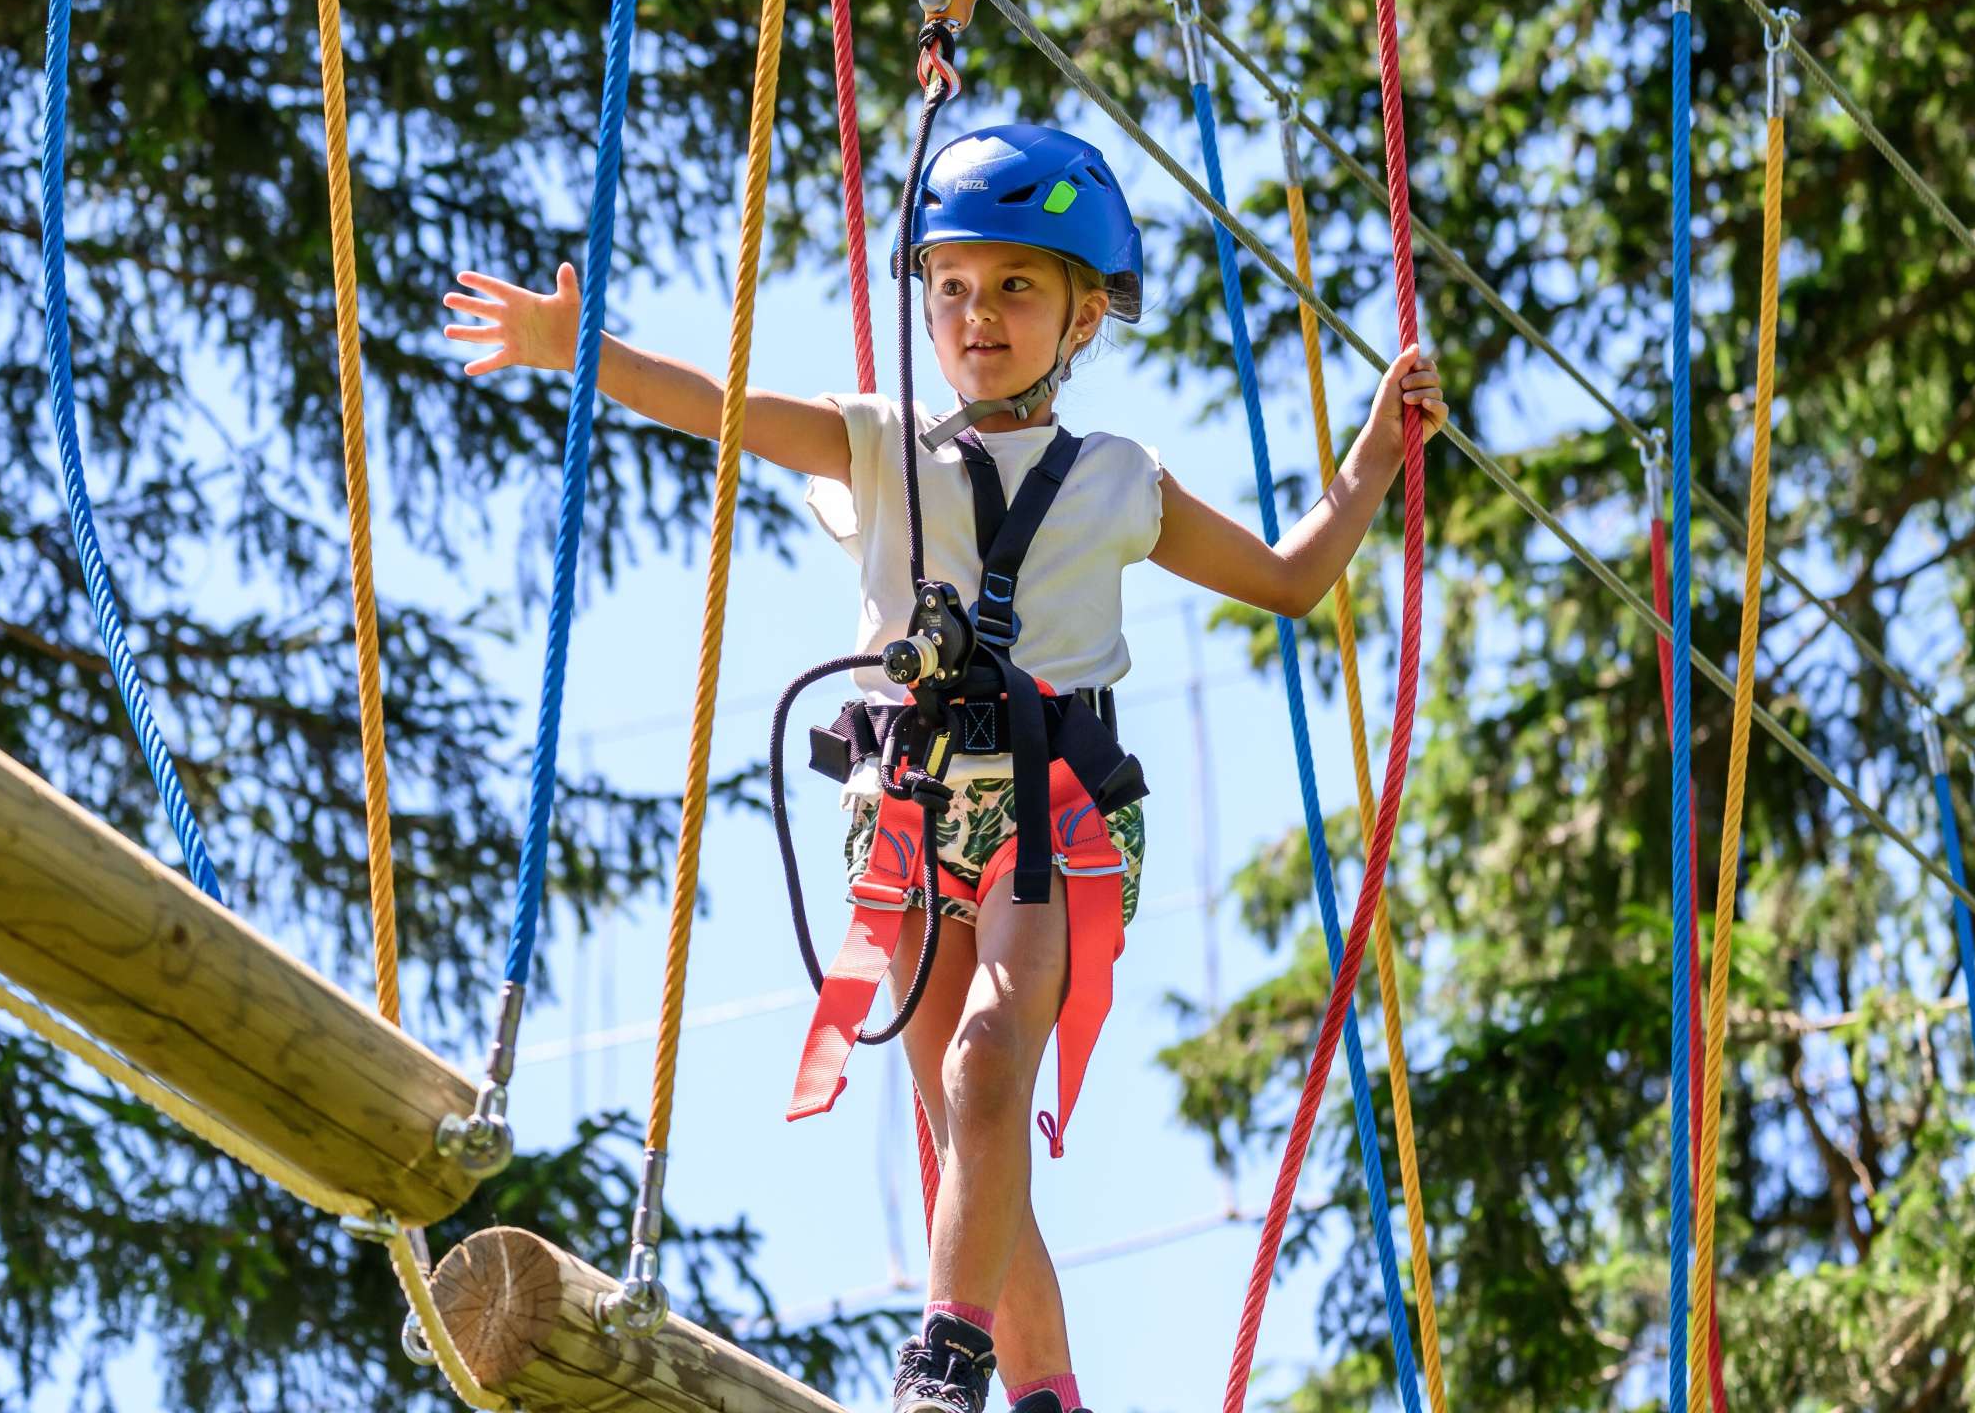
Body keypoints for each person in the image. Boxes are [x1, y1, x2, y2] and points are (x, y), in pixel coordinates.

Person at [441, 123, 1445, 1413]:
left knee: (985, 1069)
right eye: (954, 285)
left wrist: (1372, 458)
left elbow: (1289, 579)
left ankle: (944, 1361)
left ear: (1087, 314)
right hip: (908, 817)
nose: (978, 315)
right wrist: (581, 348)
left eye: (1017, 286)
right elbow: (724, 408)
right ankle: (1048, 1398)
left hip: (1051, 813)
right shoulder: (881, 443)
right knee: (967, 1124)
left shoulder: (1117, 479)